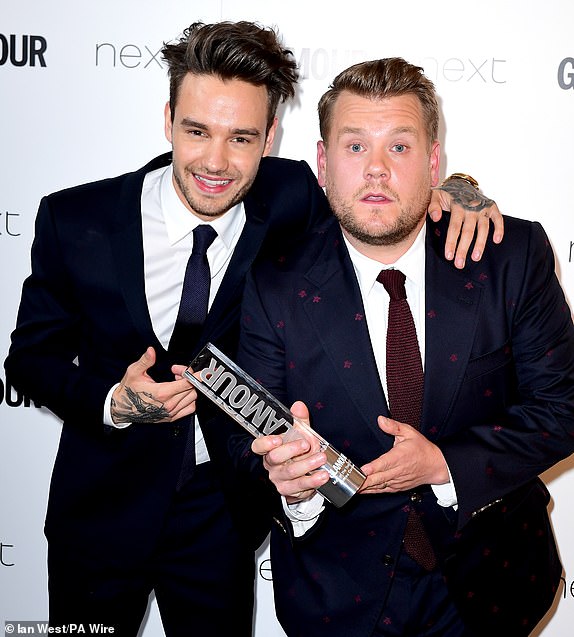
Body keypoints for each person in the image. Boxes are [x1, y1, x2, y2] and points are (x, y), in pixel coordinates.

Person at [5, 18, 501, 637]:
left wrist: (457, 189)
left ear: (270, 137)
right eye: (196, 131)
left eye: (241, 138)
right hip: (101, 509)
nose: (216, 162)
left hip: (223, 513)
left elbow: (383, 190)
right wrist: (113, 401)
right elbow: (28, 360)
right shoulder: (75, 218)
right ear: (167, 120)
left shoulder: (295, 194)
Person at [241, 57, 574, 637]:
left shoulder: (510, 256)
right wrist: (285, 481)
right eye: (354, 147)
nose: (375, 171)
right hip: (335, 596)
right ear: (322, 162)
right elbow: (243, 452)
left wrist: (447, 464)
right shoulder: (274, 281)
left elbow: (565, 407)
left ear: (434, 162)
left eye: (399, 147)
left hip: (491, 585)